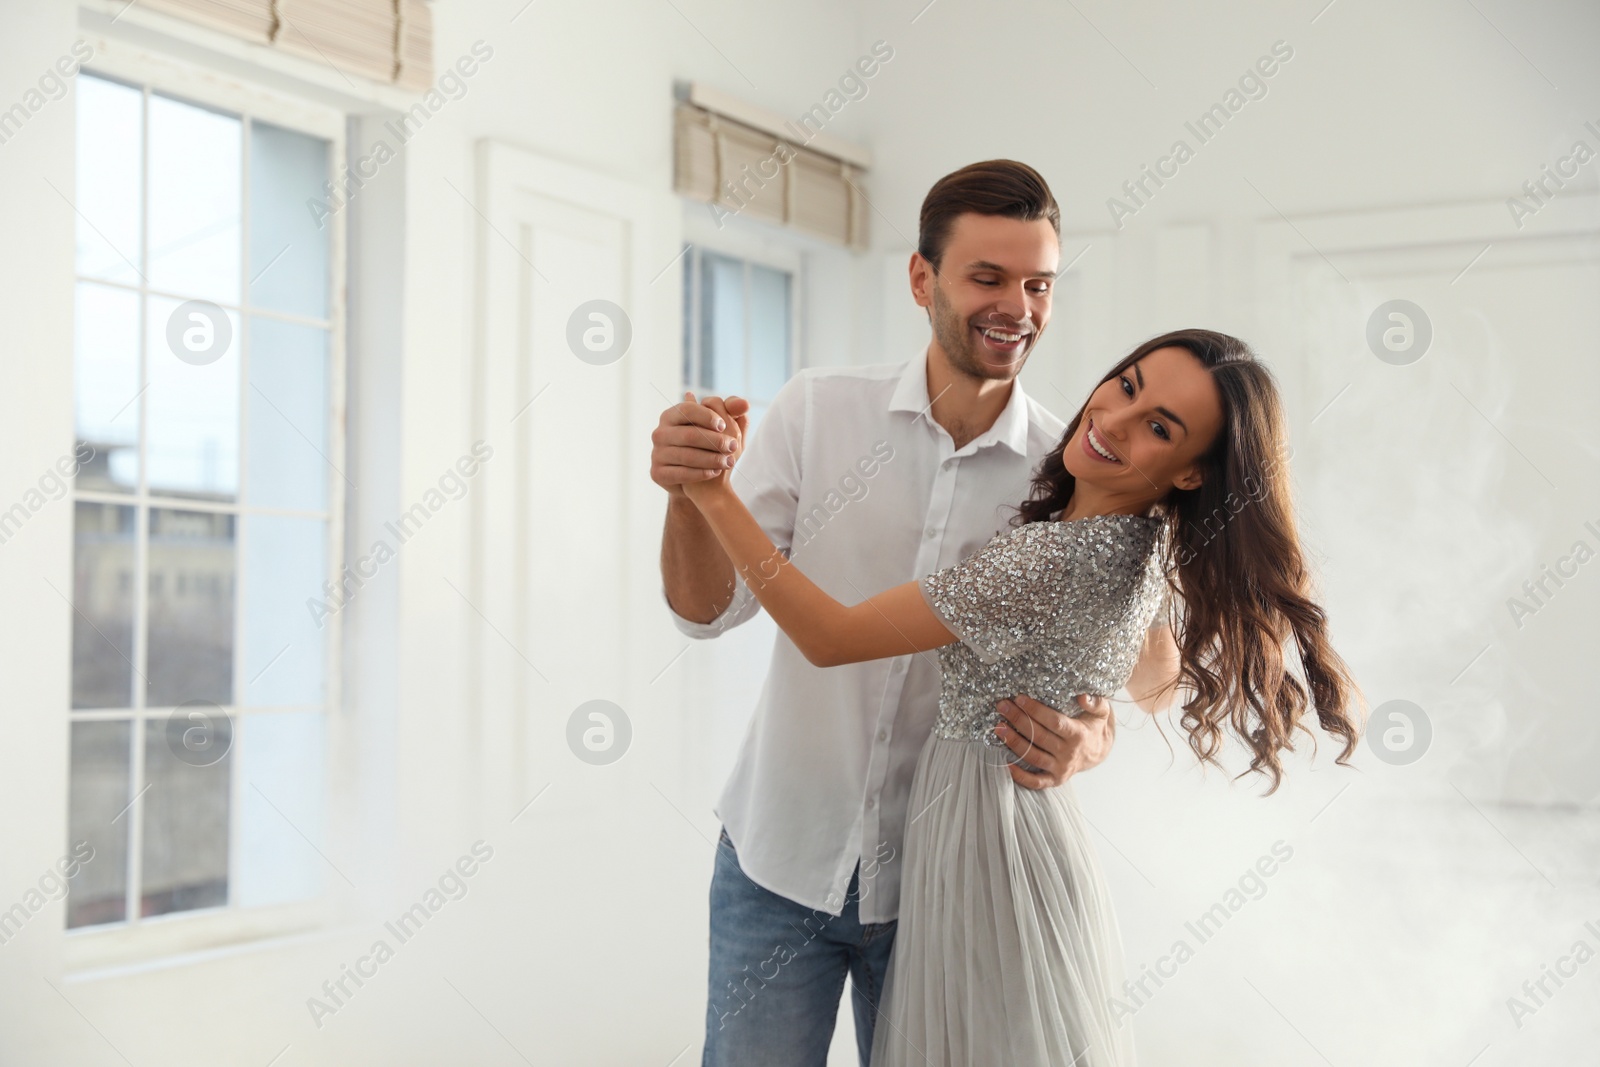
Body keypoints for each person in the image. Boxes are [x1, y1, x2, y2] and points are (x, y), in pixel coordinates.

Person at [681, 327, 1366, 1066]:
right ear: (923, 276)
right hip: (984, 835)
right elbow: (1151, 671)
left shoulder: (1051, 554)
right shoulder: (1137, 541)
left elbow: (828, 635)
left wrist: (712, 491)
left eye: (1159, 428)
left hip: (985, 843)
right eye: (1128, 386)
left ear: (1194, 474)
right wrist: (1089, 703)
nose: (1113, 419)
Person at [655, 161, 1173, 1066]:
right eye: (988, 277)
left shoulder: (1076, 465)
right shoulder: (818, 409)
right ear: (922, 279)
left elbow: (1153, 666)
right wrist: (693, 493)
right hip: (781, 861)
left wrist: (1094, 736)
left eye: (1037, 283)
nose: (1017, 305)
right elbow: (704, 615)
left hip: (950, 889)